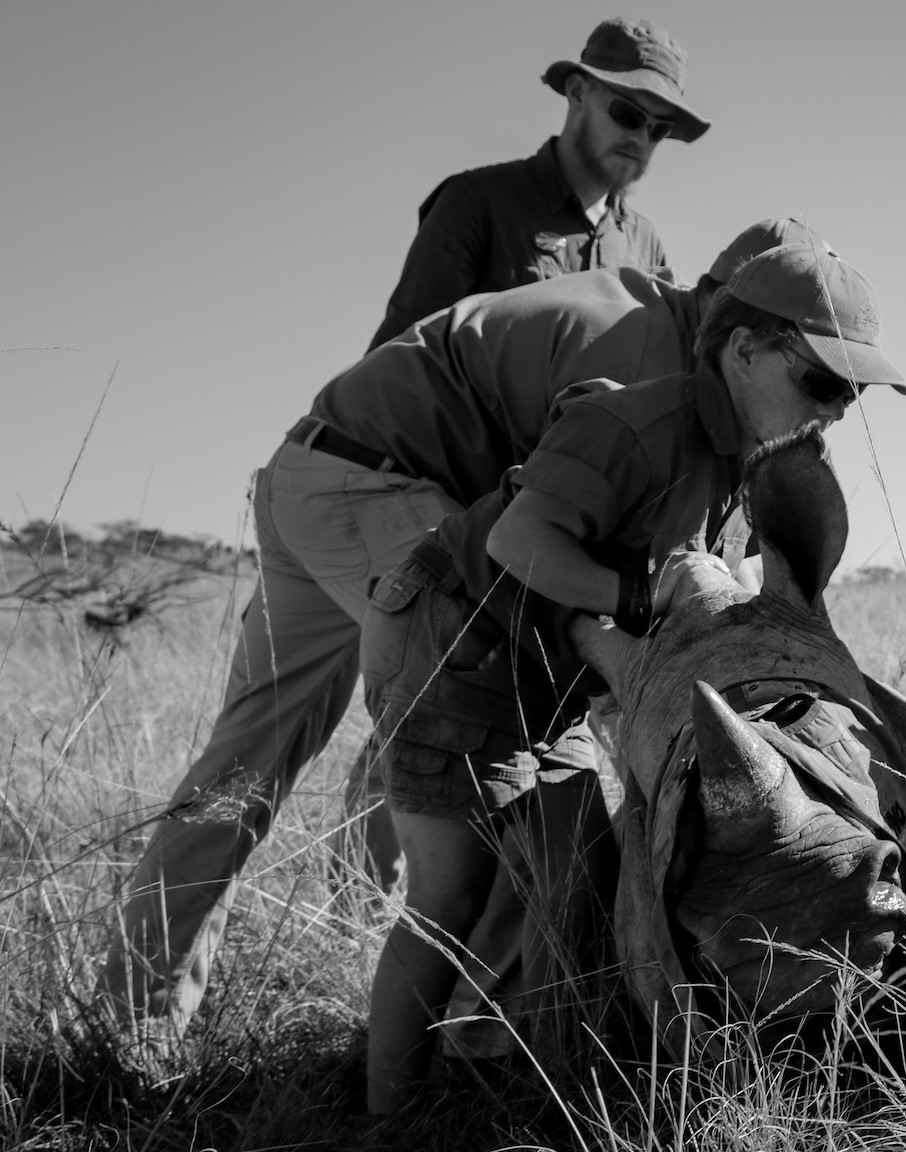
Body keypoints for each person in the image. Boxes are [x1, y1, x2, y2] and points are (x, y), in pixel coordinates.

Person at [103, 220, 818, 1029]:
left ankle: (136, 1018)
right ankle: (483, 1050)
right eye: (815, 373)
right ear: (736, 324)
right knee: (517, 745)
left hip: (312, 470)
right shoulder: (653, 365)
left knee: (245, 764)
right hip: (380, 487)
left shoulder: (653, 327)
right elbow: (556, 570)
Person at [361, 240, 906, 1113]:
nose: (838, 410)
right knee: (450, 891)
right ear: (744, 350)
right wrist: (634, 596)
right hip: (456, 644)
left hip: (549, 671)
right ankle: (384, 1125)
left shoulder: (741, 467)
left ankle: (552, 1081)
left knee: (579, 870)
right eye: (822, 383)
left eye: (853, 393)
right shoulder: (642, 428)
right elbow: (516, 544)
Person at [368, 16, 709, 348]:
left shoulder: (646, 246)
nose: (641, 139)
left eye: (659, 129)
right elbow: (396, 365)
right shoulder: (474, 203)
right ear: (578, 93)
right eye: (629, 115)